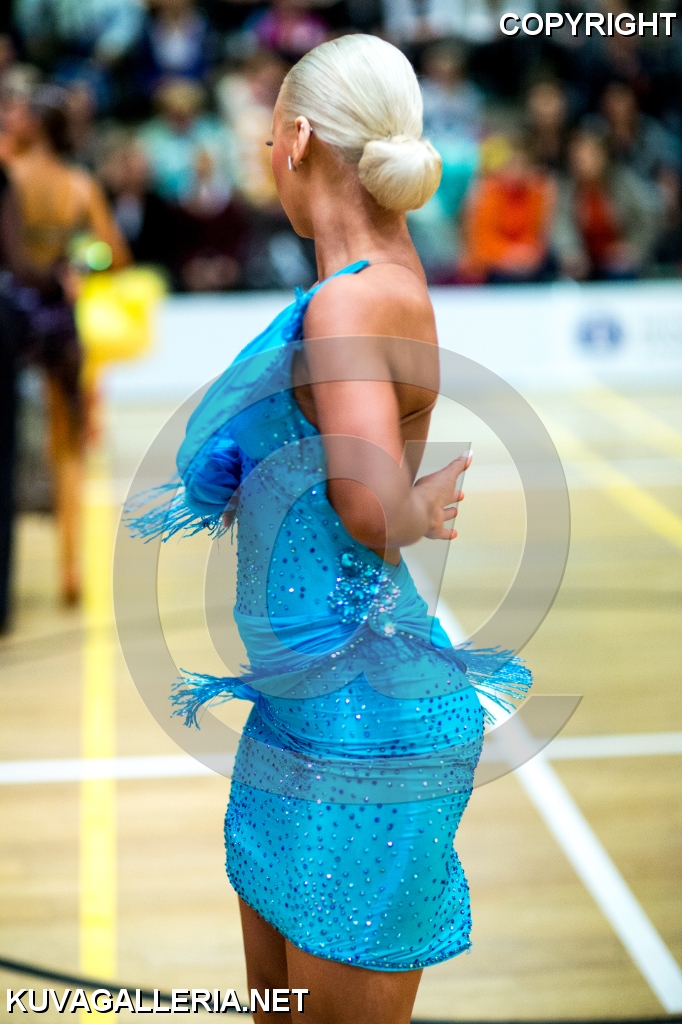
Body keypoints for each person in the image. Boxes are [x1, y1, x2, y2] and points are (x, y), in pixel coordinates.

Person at [126, 34, 530, 1024]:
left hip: (362, 728)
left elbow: (363, 504)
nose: (268, 155)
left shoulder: (348, 305)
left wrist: (408, 507)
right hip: (305, 711)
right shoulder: (381, 278)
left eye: (270, 136)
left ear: (298, 138)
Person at [4, 84, 130, 603]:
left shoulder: (10, 176)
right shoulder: (79, 184)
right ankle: (70, 567)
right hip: (59, 316)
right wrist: (79, 265)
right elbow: (113, 253)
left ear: (32, 125)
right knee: (68, 445)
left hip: (12, 311)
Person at [553, 127, 660, 280]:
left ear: (603, 156)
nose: (582, 161)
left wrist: (634, 248)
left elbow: (650, 216)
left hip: (619, 260)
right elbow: (560, 225)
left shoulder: (623, 182)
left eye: (589, 155)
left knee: (621, 273)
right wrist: (570, 252)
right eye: (577, 156)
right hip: (583, 261)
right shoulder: (566, 188)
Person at [458, 134, 556, 283]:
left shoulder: (535, 193)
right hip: (494, 266)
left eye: (522, 164)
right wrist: (510, 255)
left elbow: (537, 237)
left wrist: (525, 253)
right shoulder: (488, 193)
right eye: (511, 164)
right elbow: (482, 244)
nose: (517, 170)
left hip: (527, 263)